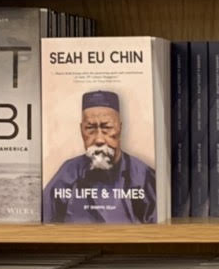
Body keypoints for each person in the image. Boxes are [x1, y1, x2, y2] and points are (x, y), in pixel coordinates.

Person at [41, 89, 157, 223]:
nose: (99, 140)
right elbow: (44, 223)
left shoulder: (142, 177)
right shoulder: (68, 173)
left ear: (119, 128)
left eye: (107, 127)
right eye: (90, 128)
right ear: (81, 130)